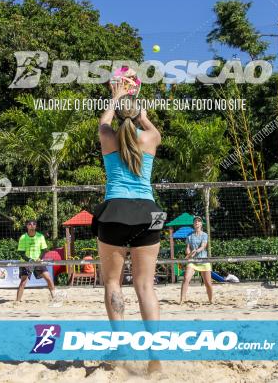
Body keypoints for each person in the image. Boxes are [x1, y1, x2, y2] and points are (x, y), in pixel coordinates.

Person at [93, 71, 163, 373]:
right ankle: (156, 359)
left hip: (115, 211)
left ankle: (121, 348)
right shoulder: (150, 138)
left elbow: (104, 121)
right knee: (145, 286)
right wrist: (141, 113)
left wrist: (116, 97)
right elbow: (150, 128)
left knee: (112, 282)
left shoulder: (108, 136)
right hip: (148, 211)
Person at [16, 219, 56, 302]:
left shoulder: (40, 236)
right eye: (30, 224)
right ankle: (17, 301)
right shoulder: (23, 237)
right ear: (27, 226)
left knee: (48, 278)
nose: (32, 225)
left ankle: (55, 298)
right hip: (26, 262)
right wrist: (29, 259)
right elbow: (21, 253)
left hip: (38, 261)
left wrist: (40, 258)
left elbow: (44, 249)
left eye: (34, 224)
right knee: (23, 281)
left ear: (36, 226)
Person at [180, 216, 213, 304]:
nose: (197, 222)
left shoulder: (205, 235)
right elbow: (187, 248)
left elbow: (203, 246)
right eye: (195, 221)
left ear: (201, 224)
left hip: (203, 260)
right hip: (192, 261)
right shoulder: (189, 236)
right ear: (193, 224)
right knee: (186, 278)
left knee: (208, 283)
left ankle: (211, 300)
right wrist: (189, 253)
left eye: (199, 221)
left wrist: (196, 250)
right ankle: (182, 299)